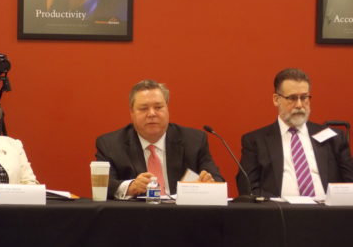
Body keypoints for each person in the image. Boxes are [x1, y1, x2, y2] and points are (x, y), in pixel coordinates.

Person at [96, 79, 224, 199]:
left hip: (184, 217)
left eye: (158, 107)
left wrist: (209, 183)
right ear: (132, 112)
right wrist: (130, 187)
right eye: (144, 108)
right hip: (136, 218)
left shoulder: (194, 141)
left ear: (167, 108)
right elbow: (103, 186)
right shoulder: (111, 144)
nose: (152, 114)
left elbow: (218, 181)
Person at [236, 68, 353, 199]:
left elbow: (350, 184)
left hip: (328, 214)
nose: (299, 105)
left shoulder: (334, 138)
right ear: (276, 99)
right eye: (292, 98)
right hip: (280, 215)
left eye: (304, 97)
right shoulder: (255, 141)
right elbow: (247, 188)